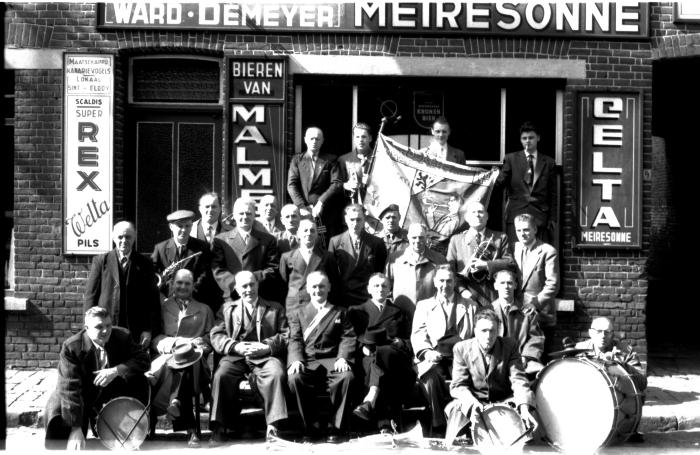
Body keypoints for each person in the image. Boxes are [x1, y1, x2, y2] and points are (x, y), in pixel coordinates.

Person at [44, 307, 150, 450]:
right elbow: (69, 388)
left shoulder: (122, 336)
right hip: (80, 395)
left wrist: (116, 370)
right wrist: (76, 428)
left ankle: (131, 425)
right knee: (61, 442)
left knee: (140, 380)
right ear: (86, 328)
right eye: (99, 327)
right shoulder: (71, 347)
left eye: (108, 325)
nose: (106, 331)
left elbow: (144, 360)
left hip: (111, 392)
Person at [209, 271, 289, 444]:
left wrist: (267, 346)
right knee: (221, 375)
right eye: (244, 286)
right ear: (237, 289)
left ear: (258, 285)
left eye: (252, 284)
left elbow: (286, 335)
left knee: (276, 373)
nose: (249, 289)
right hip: (236, 357)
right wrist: (234, 346)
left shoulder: (275, 308)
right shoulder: (226, 309)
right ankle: (219, 427)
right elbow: (216, 334)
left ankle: (274, 427)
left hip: (264, 357)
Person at [446, 308, 537, 445]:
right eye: (483, 331)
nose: (488, 336)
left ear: (498, 331)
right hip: (475, 401)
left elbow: (518, 380)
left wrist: (524, 406)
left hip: (503, 401)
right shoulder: (461, 348)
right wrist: (472, 404)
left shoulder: (510, 346)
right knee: (455, 409)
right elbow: (458, 386)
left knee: (527, 415)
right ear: (475, 331)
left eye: (492, 330)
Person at [147, 269, 215, 448]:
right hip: (167, 356)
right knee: (181, 365)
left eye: (187, 283)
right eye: (179, 283)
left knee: (187, 363)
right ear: (172, 284)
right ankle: (191, 430)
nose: (183, 287)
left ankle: (175, 402)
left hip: (197, 360)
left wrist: (199, 344)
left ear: (193, 286)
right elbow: (154, 336)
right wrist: (171, 343)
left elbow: (211, 338)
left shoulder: (204, 309)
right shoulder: (162, 307)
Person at [287, 271, 356, 443]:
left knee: (346, 376)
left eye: (322, 286)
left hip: (332, 360)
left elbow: (348, 336)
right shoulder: (298, 313)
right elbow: (294, 339)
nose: (318, 290)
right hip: (308, 361)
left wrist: (343, 358)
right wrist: (296, 359)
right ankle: (310, 426)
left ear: (329, 288)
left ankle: (336, 426)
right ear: (308, 289)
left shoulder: (340, 312)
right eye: (314, 286)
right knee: (295, 378)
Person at [410, 266, 478, 435]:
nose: (445, 285)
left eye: (449, 281)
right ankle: (439, 424)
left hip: (462, 356)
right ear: (434, 282)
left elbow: (477, 335)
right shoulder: (424, 306)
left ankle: (464, 425)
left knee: (468, 379)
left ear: (455, 282)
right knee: (430, 377)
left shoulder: (469, 306)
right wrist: (427, 352)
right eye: (441, 280)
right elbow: (418, 334)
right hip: (435, 355)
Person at [348, 273, 415, 432]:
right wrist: (361, 347)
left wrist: (400, 342)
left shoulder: (398, 311)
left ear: (390, 289)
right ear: (369, 289)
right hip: (368, 357)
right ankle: (386, 424)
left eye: (384, 286)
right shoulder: (357, 311)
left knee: (383, 354)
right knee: (379, 365)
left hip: (395, 356)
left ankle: (370, 400)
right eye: (376, 286)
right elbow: (350, 338)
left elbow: (409, 340)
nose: (380, 289)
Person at [84, 221, 161, 348]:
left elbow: (152, 300)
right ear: (114, 238)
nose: (124, 240)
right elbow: (90, 296)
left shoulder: (145, 263)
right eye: (120, 237)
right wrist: (89, 326)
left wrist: (148, 329)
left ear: (134, 238)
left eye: (128, 237)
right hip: (107, 325)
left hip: (135, 328)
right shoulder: (101, 261)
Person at [496, 121, 557, 243]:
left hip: (540, 216)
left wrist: (552, 217)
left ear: (538, 138)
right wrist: (493, 175)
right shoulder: (511, 159)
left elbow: (553, 193)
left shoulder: (549, 162)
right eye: (524, 138)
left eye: (531, 137)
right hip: (516, 215)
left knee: (539, 254)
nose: (527, 141)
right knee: (516, 254)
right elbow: (500, 183)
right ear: (520, 140)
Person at [446, 201, 515, 308]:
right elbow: (450, 272)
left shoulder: (500, 238)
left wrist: (486, 265)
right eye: (473, 212)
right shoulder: (456, 240)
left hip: (494, 297)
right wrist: (462, 290)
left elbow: (510, 263)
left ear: (487, 216)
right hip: (466, 298)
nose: (477, 215)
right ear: (466, 217)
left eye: (480, 212)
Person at [211, 197, 279, 303]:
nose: (245, 217)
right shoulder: (220, 240)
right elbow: (218, 270)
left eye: (248, 213)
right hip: (231, 297)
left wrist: (251, 280)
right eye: (241, 213)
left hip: (260, 297)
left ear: (254, 216)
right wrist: (238, 283)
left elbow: (272, 268)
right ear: (234, 215)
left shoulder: (268, 240)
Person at [151, 209, 219, 312]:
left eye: (187, 226)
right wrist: (163, 298)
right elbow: (152, 276)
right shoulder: (160, 248)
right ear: (171, 227)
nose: (184, 230)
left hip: (194, 301)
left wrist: (187, 294)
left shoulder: (203, 247)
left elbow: (205, 275)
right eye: (180, 226)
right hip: (167, 303)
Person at [513, 213, 560, 354]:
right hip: (516, 313)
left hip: (540, 314)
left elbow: (553, 284)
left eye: (526, 230)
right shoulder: (512, 248)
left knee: (541, 357)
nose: (522, 234)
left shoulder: (548, 251)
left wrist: (534, 304)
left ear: (535, 229)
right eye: (518, 230)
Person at [287, 126, 343, 239]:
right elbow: (291, 185)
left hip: (326, 212)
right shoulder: (297, 160)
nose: (314, 141)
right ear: (305, 139)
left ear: (322, 141)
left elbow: (336, 183)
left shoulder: (331, 159)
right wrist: (301, 206)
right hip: (303, 212)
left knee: (325, 244)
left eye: (317, 139)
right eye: (311, 138)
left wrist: (321, 202)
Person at [328, 204, 388, 307]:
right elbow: (331, 273)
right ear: (346, 220)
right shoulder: (335, 242)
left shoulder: (376, 243)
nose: (355, 223)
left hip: (368, 297)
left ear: (364, 220)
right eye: (352, 220)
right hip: (345, 298)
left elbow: (380, 269)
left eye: (358, 220)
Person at [490, 269, 545, 376]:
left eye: (509, 283)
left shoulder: (527, 312)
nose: (506, 286)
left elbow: (536, 338)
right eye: (502, 283)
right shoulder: (488, 312)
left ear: (515, 285)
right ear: (495, 286)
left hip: (521, 360)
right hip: (496, 361)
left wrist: (526, 356)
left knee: (541, 374)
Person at [279, 218, 340, 312]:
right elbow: (282, 287)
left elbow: (335, 284)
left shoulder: (327, 257)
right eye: (305, 230)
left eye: (312, 230)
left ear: (316, 234)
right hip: (295, 307)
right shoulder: (286, 257)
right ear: (298, 234)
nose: (309, 233)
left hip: (320, 306)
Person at [386, 223, 447, 315]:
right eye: (414, 237)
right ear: (408, 237)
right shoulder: (394, 259)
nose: (417, 241)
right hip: (401, 314)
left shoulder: (439, 259)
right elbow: (386, 287)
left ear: (426, 238)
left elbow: (447, 288)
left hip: (430, 314)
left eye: (421, 237)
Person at [575, 316, 647, 392]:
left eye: (607, 332)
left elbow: (642, 383)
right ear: (590, 332)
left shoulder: (626, 351)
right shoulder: (579, 349)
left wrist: (620, 365)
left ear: (613, 334)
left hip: (616, 394)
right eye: (599, 331)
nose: (603, 336)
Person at [339, 123, 373, 206]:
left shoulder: (379, 158)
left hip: (374, 207)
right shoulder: (344, 160)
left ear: (370, 138)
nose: (360, 140)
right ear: (353, 139)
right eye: (357, 137)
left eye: (364, 137)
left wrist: (372, 181)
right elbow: (336, 185)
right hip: (352, 208)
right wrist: (346, 185)